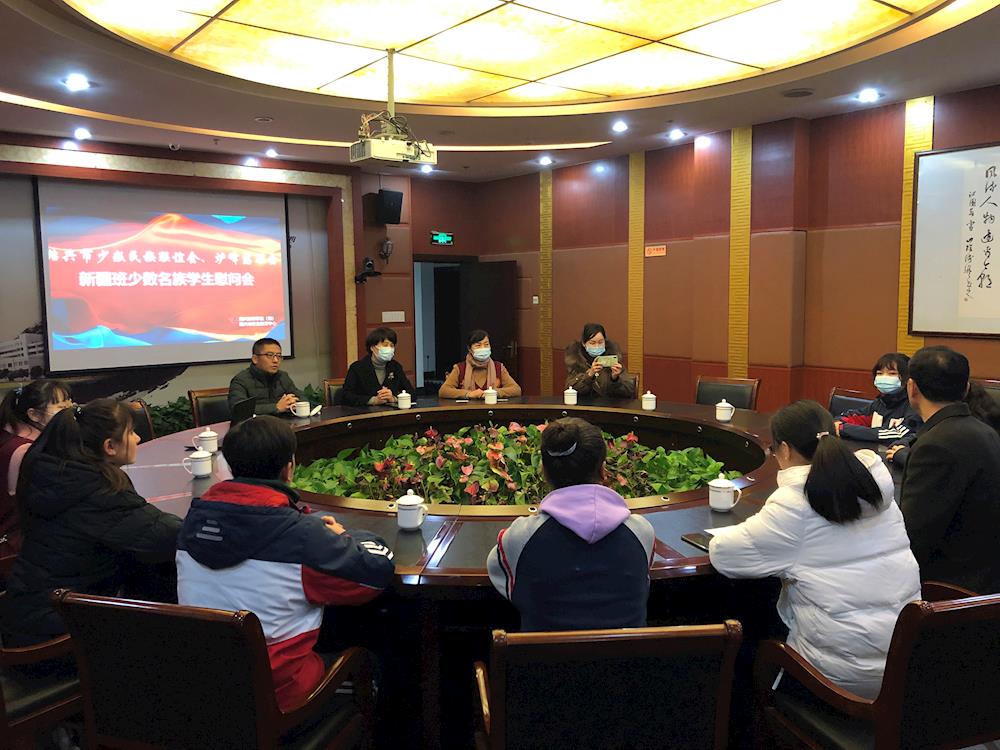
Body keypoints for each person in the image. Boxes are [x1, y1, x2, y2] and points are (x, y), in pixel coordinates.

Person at [176, 415, 395, 710]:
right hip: (278, 699)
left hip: (205, 689)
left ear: (230, 466)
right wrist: (348, 536)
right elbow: (375, 574)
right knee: (375, 650)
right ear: (289, 468)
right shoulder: (301, 538)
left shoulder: (191, 523)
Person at [709, 400, 920, 698]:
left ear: (784, 450)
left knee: (749, 631)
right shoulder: (875, 487)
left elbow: (726, 556)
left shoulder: (795, 502)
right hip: (905, 663)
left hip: (840, 678)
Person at [1, 399, 182, 646]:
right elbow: (166, 538)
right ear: (109, 446)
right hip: (56, 634)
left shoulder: (55, 473)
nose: (138, 438)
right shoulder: (97, 491)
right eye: (131, 432)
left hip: (27, 611)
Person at [487, 417, 654, 631]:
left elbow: (505, 583)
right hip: (628, 654)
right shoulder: (642, 532)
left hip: (543, 655)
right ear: (603, 470)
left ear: (544, 472)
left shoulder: (519, 539)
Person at [898, 346, 1000, 593]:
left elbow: (914, 537)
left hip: (950, 586)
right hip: (987, 577)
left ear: (912, 388)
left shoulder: (935, 446)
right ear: (966, 388)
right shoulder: (986, 432)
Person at [0, 379, 73, 556]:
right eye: (62, 408)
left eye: (70, 404)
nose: (70, 412)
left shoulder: (10, 434)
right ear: (34, 415)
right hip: (16, 544)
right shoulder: (25, 451)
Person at [888, 381, 1000, 466]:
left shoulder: (966, 430)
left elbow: (938, 464)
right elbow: (921, 436)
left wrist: (903, 455)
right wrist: (903, 445)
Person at [834, 352, 922, 443]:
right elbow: (852, 416)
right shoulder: (881, 401)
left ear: (907, 378)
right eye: (879, 373)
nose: (884, 378)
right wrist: (838, 423)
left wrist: (845, 429)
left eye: (892, 373)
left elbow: (898, 434)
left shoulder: (914, 405)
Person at [228, 337, 305, 416]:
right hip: (255, 423)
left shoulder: (282, 376)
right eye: (270, 355)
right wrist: (276, 407)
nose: (275, 360)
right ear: (255, 359)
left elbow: (302, 398)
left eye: (278, 356)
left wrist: (294, 403)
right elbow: (239, 410)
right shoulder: (241, 380)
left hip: (282, 422)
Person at [438, 330, 521, 400]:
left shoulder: (498, 367)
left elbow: (516, 390)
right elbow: (443, 391)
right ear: (469, 349)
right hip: (467, 411)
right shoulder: (460, 368)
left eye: (486, 344)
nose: (483, 348)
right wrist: (468, 394)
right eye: (478, 345)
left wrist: (494, 393)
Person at [342, 327, 414, 407]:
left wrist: (394, 398)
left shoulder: (396, 367)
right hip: (364, 412)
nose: (389, 348)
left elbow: (412, 394)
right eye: (385, 345)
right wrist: (373, 400)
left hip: (390, 412)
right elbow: (346, 396)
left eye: (392, 346)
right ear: (372, 347)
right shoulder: (357, 368)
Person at [564, 323, 637, 399]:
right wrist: (589, 376)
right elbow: (571, 390)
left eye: (600, 342)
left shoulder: (612, 359)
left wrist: (615, 379)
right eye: (592, 343)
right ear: (584, 343)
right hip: (584, 405)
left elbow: (629, 391)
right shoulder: (576, 362)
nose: (597, 346)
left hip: (610, 404)